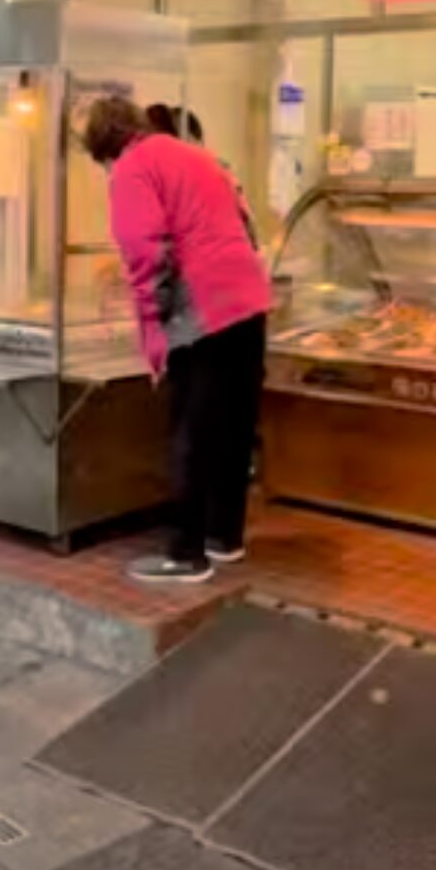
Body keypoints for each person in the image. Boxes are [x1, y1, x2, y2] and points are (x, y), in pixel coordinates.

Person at [81, 94, 270, 586]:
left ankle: (185, 554)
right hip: (248, 298)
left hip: (202, 306)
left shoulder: (131, 168)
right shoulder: (195, 155)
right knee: (233, 424)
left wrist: (155, 335)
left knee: (192, 428)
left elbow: (145, 254)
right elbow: (246, 220)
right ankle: (223, 536)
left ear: (105, 149)